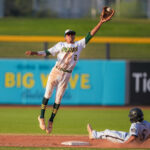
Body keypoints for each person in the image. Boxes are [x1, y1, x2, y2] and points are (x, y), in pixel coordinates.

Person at [25, 7, 115, 134]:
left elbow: (90, 35)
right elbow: (47, 52)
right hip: (56, 71)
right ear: (65, 37)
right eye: (68, 34)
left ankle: (51, 120)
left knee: (58, 100)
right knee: (48, 94)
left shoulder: (78, 45)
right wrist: (34, 53)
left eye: (72, 34)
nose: (71, 35)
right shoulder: (60, 45)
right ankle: (41, 117)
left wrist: (100, 22)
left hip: (66, 75)